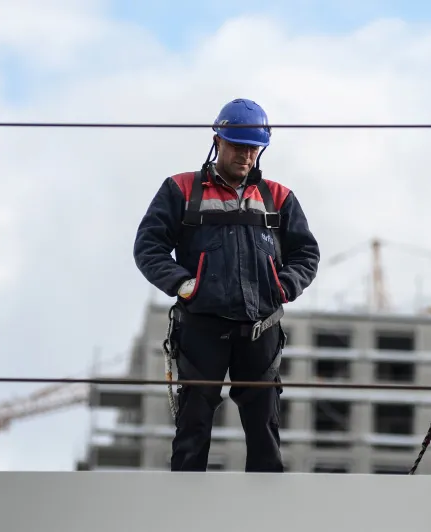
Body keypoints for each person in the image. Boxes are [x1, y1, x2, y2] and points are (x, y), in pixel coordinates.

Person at [132, 98, 320, 472]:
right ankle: (186, 507)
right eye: (238, 148)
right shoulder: (181, 189)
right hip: (201, 325)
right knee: (194, 421)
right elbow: (148, 247)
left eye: (253, 149)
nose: (246, 157)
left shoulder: (279, 198)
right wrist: (184, 286)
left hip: (260, 328)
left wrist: (282, 287)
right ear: (218, 141)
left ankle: (265, 509)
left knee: (264, 423)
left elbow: (306, 254)